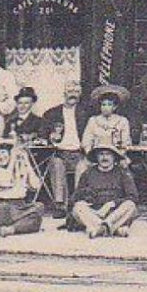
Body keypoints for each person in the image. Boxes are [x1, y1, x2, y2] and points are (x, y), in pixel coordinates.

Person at [0, 138, 44, 239]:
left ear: (9, 153)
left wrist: (27, 162)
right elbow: (7, 181)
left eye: (3, 153)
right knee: (0, 209)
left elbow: (35, 185)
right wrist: (13, 159)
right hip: (4, 205)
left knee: (38, 210)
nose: (1, 157)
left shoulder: (18, 166)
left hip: (20, 206)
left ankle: (10, 229)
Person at [41, 81, 93, 219]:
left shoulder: (87, 112)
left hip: (80, 153)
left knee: (83, 166)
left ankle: (77, 204)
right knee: (57, 165)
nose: (72, 94)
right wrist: (49, 137)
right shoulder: (52, 113)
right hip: (60, 153)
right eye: (69, 91)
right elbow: (42, 135)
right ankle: (60, 205)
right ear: (64, 93)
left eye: (76, 92)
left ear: (80, 94)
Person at [71, 144, 139, 239]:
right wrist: (87, 198)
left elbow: (133, 196)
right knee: (78, 207)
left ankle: (100, 228)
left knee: (130, 205)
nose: (104, 157)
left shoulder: (123, 174)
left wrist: (112, 204)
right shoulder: (87, 174)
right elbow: (75, 197)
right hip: (94, 213)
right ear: (96, 157)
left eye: (108, 154)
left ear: (114, 157)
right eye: (101, 154)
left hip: (115, 212)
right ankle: (111, 228)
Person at [82, 86, 133, 155]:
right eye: (103, 105)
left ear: (114, 107)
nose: (106, 108)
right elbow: (86, 141)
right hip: (96, 155)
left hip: (117, 155)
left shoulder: (122, 121)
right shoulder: (93, 120)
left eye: (109, 105)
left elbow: (125, 142)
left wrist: (119, 155)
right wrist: (90, 155)